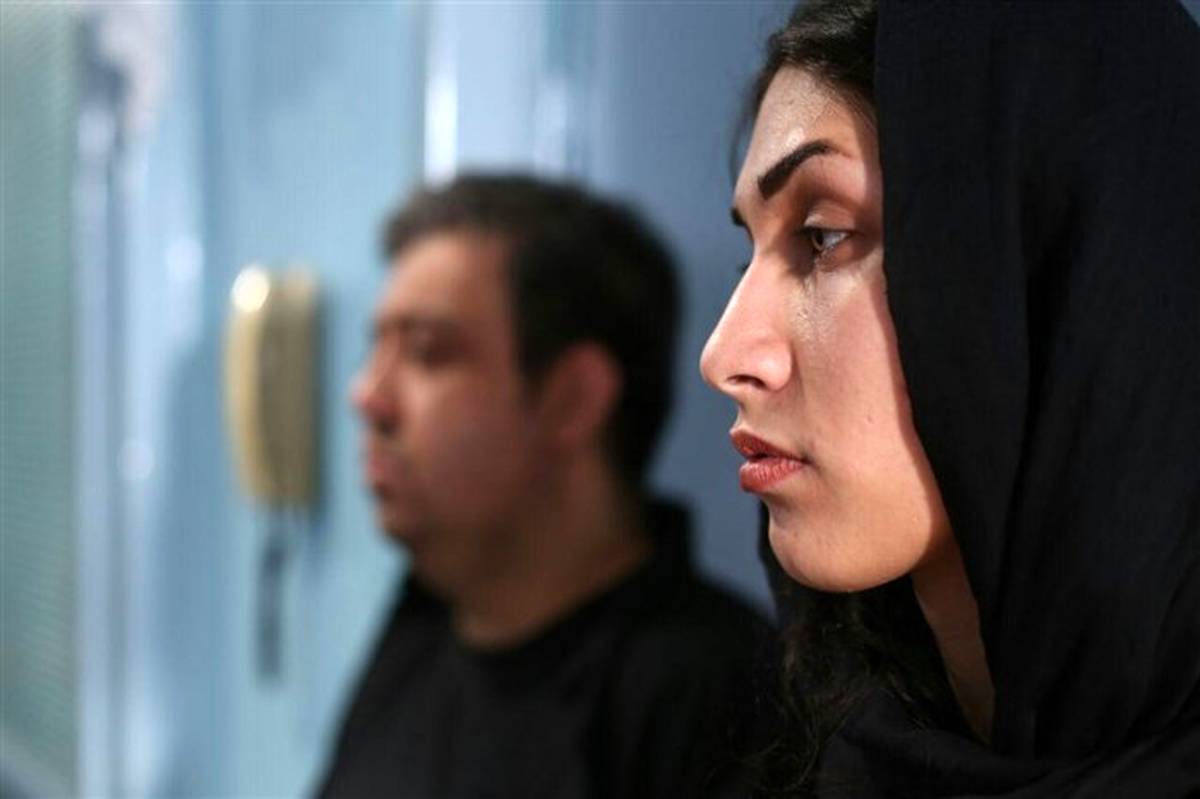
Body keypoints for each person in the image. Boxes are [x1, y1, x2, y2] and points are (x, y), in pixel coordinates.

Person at [701, 0, 1200, 795]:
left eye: (823, 237)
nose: (724, 356)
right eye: (750, 252)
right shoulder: (826, 760)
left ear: (1056, 265)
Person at [318, 174, 770, 798]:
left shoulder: (716, 698)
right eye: (378, 349)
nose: (368, 396)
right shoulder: (423, 623)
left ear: (571, 399)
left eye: (426, 352)